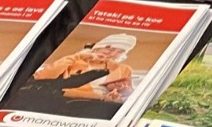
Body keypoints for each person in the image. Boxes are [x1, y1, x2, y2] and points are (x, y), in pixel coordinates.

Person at [8, 34, 136, 118]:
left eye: (120, 51)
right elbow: (42, 77)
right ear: (98, 47)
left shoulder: (123, 69)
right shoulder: (75, 61)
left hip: (100, 103)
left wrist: (123, 91)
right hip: (65, 99)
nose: (113, 53)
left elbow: (129, 92)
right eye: (110, 48)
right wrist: (77, 56)